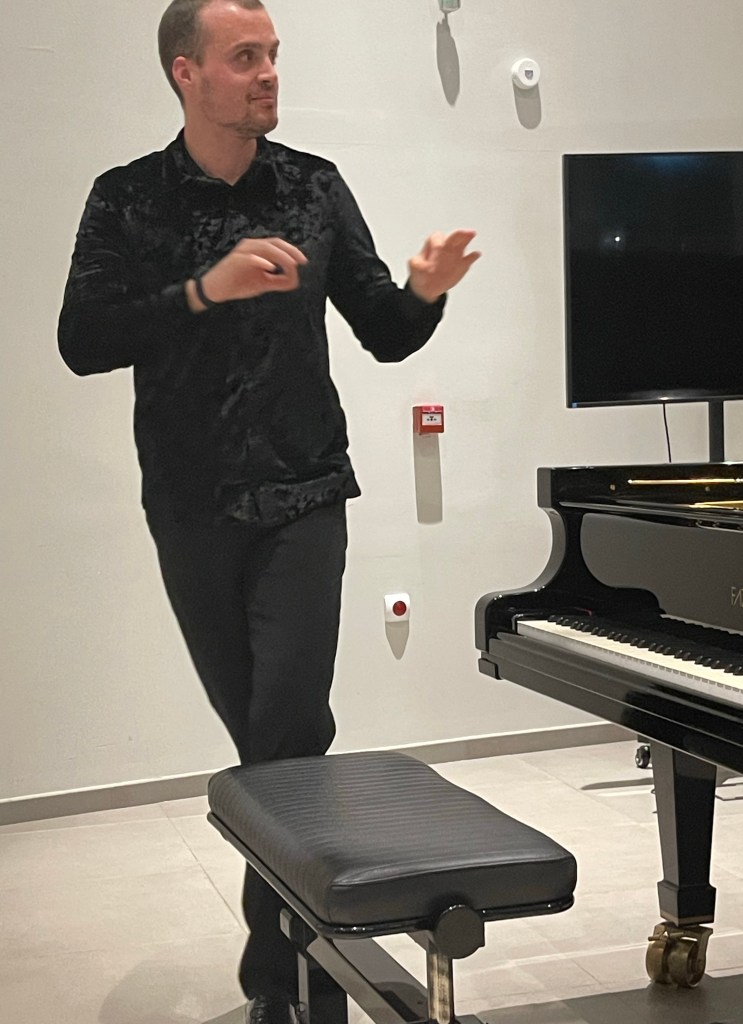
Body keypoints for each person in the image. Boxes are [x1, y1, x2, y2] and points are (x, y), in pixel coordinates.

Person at [58, 0, 480, 1020]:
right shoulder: (127, 198)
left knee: (288, 733)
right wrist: (203, 290)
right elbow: (82, 338)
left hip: (305, 495)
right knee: (269, 746)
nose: (268, 73)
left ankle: (291, 984)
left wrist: (424, 291)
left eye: (274, 55)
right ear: (185, 72)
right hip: (190, 509)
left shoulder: (313, 187)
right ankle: (297, 965)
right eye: (245, 56)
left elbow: (384, 330)